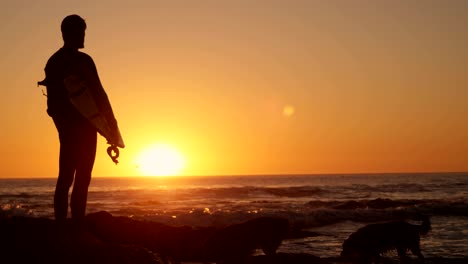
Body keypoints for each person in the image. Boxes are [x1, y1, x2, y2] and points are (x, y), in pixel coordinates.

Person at [38, 15, 117, 227]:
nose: (83, 36)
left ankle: (77, 225)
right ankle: (62, 226)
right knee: (66, 177)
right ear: (66, 33)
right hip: (70, 130)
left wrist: (112, 129)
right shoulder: (56, 63)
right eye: (79, 31)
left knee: (83, 177)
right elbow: (52, 107)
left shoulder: (85, 61)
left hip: (89, 127)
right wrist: (65, 128)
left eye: (83, 31)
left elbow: (100, 95)